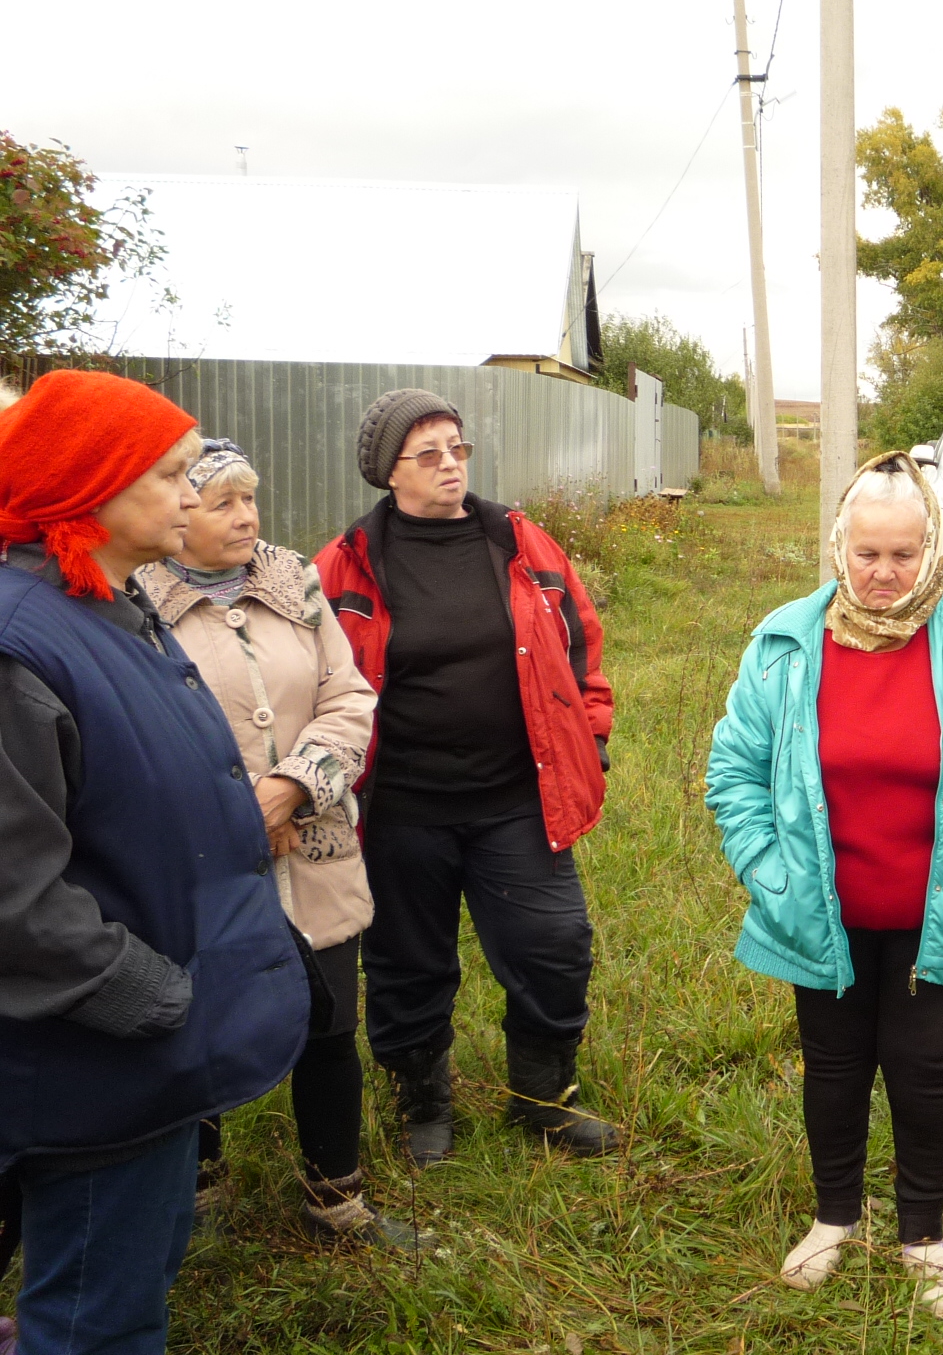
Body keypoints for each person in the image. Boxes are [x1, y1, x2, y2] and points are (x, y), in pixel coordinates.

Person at [0, 371, 307, 1355]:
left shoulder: (98, 604)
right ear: (91, 481)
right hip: (95, 1070)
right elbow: (12, 895)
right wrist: (147, 993)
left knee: (125, 1289)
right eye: (170, 473)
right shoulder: (19, 644)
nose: (191, 493)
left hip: (137, 1067)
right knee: (97, 1320)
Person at [705, 453, 943, 1319]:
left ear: (931, 547)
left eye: (903, 554)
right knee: (834, 1064)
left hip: (942, 912)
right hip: (821, 910)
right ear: (838, 548)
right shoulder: (785, 639)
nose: (885, 574)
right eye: (868, 555)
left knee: (929, 1070)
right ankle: (835, 1218)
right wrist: (766, 870)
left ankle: (923, 1235)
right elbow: (735, 770)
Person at [315, 389, 618, 1163]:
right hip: (400, 809)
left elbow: (580, 641)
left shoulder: (516, 541)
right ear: (389, 473)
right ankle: (423, 1104)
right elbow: (314, 676)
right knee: (406, 962)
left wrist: (591, 737)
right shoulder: (346, 562)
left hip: (518, 798)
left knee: (553, 944)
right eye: (429, 454)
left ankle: (542, 1100)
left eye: (458, 447)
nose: (451, 464)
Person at [136, 438, 414, 1247]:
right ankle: (196, 1193)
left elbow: (348, 696)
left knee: (329, 1022)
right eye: (222, 502)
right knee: (195, 1019)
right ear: (179, 511)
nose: (246, 516)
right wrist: (237, 816)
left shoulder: (295, 583)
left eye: (251, 499)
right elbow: (140, 739)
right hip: (199, 861)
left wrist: (292, 786)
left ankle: (336, 1201)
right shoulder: (133, 604)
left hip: (314, 852)